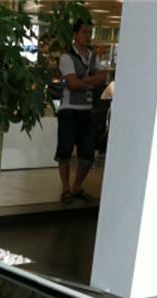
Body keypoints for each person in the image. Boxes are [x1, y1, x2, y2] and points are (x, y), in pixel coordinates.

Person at [54, 19, 107, 203]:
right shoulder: (67, 57)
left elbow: (103, 77)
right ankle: (66, 188)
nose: (88, 36)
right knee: (65, 150)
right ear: (75, 34)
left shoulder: (93, 56)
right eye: (84, 32)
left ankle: (77, 186)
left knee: (87, 152)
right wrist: (90, 82)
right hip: (69, 110)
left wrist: (83, 80)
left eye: (90, 32)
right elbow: (72, 83)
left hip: (87, 110)